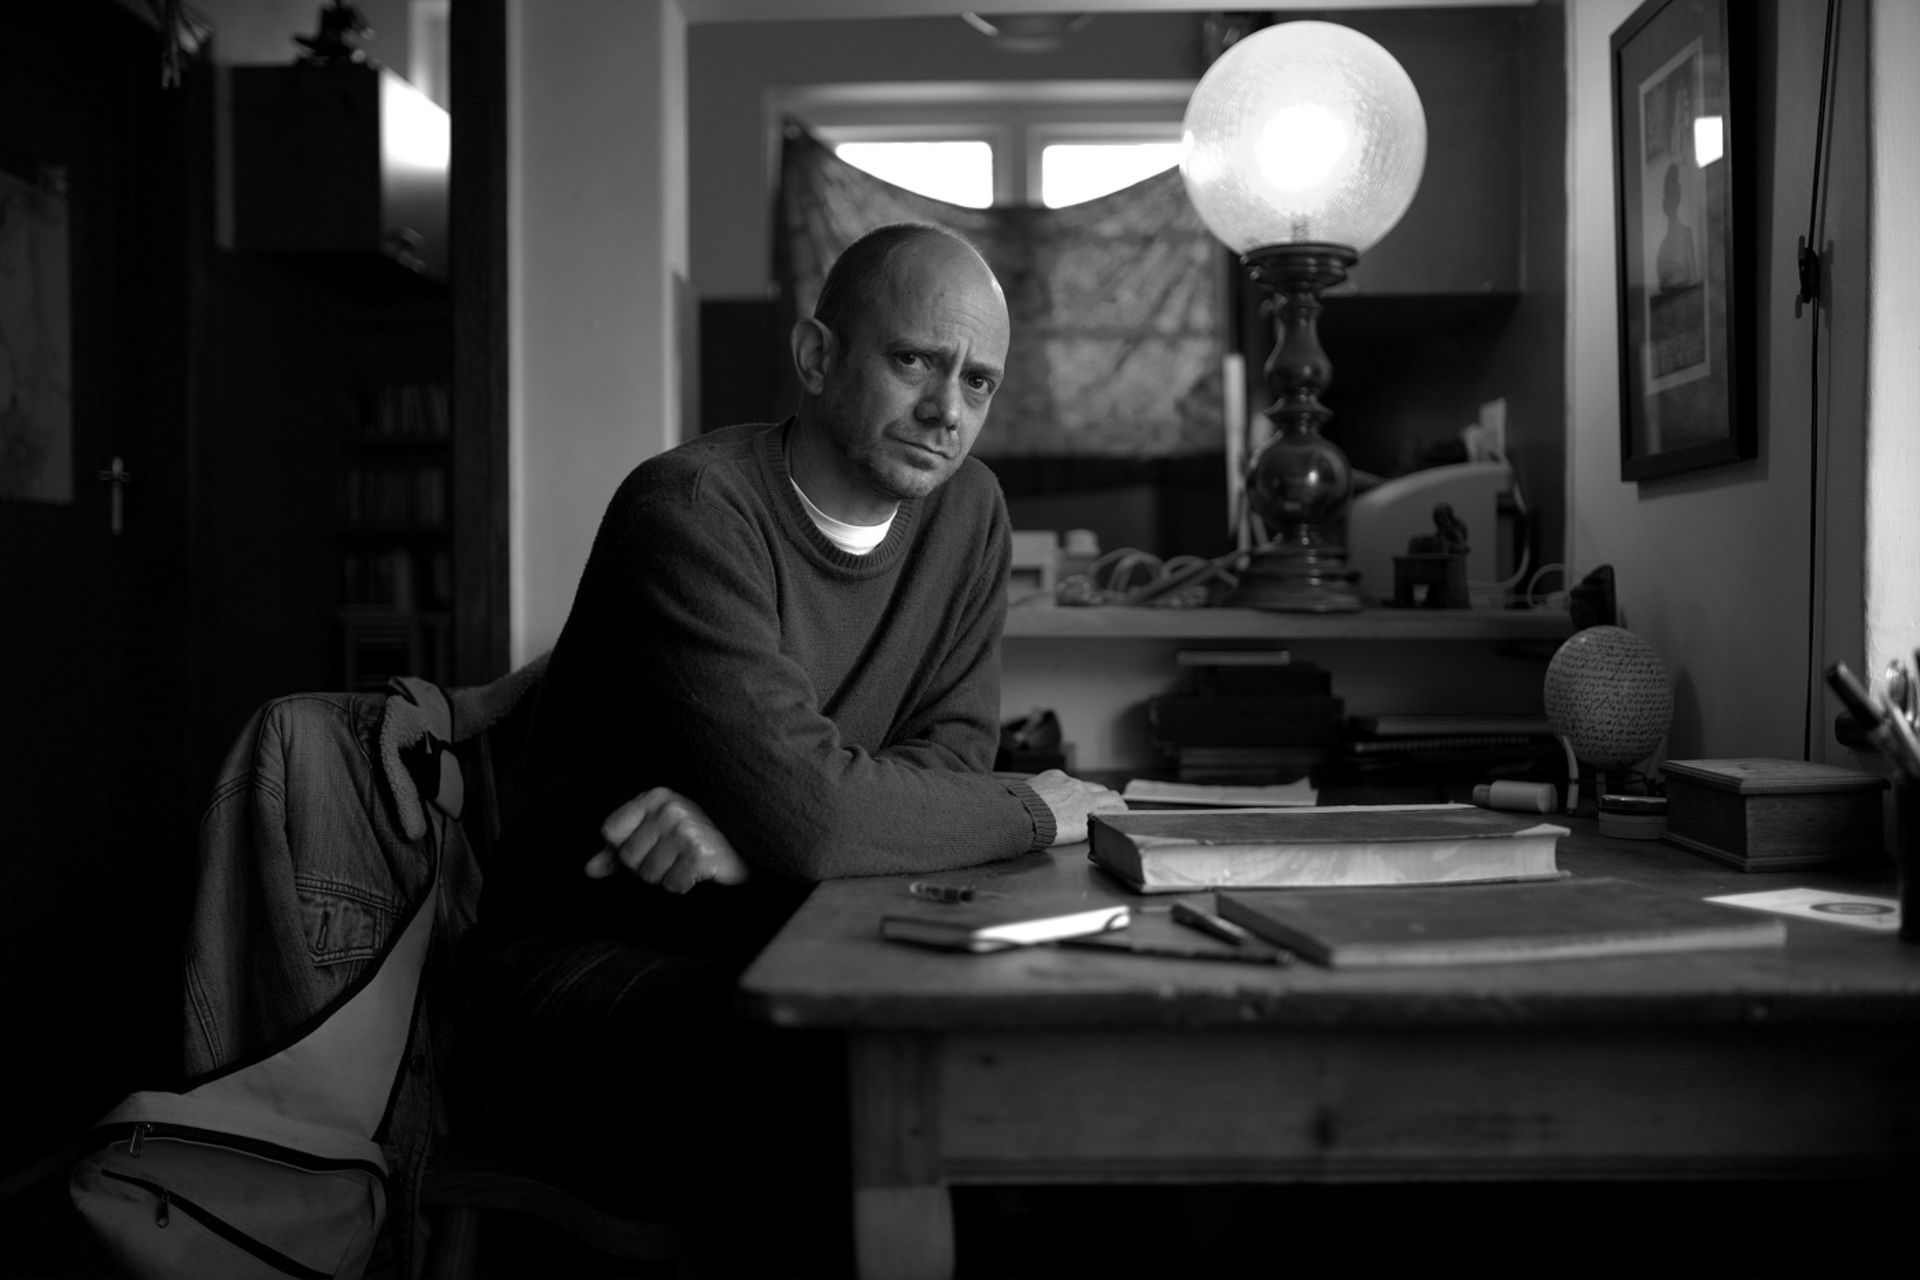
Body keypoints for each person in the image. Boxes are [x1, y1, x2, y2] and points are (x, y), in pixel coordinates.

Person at [453, 223, 1126, 1269]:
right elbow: (818, 815)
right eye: (915, 360)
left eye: (979, 381)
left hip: (793, 920)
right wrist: (1035, 806)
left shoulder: (969, 514)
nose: (948, 410)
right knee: (883, 1087)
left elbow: (940, 760)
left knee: (1032, 1066)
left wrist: (763, 830)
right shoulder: (689, 513)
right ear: (816, 356)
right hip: (591, 956)